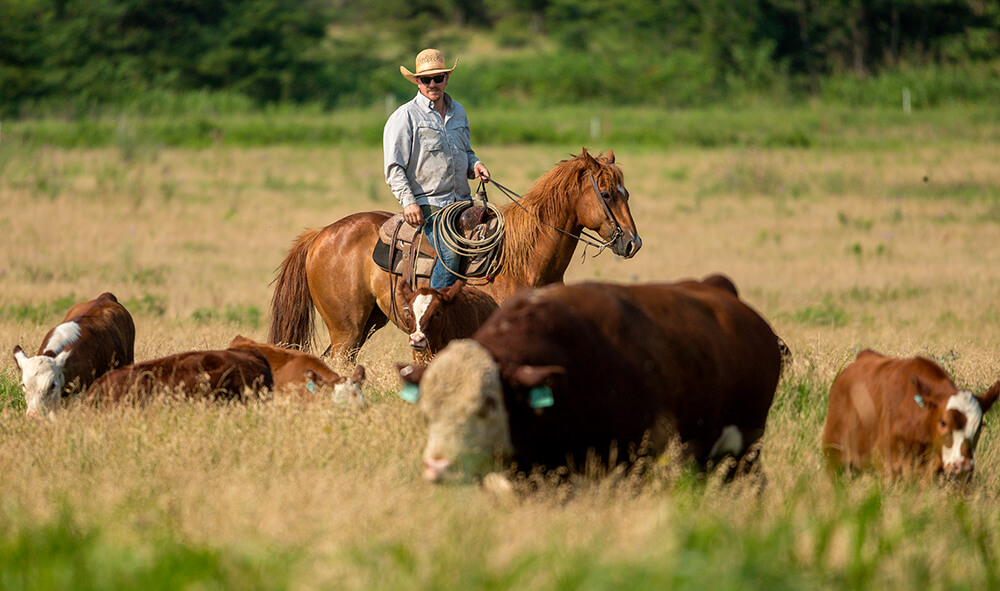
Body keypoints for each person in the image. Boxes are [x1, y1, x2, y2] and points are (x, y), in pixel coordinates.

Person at [383, 48, 490, 289]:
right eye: (426, 79)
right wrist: (409, 202)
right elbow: (394, 168)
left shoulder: (459, 112)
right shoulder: (405, 117)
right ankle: (432, 313)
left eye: (438, 78)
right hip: (430, 204)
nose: (433, 84)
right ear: (417, 82)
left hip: (462, 200)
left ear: (446, 79)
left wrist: (476, 165)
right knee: (451, 254)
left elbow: (466, 152)